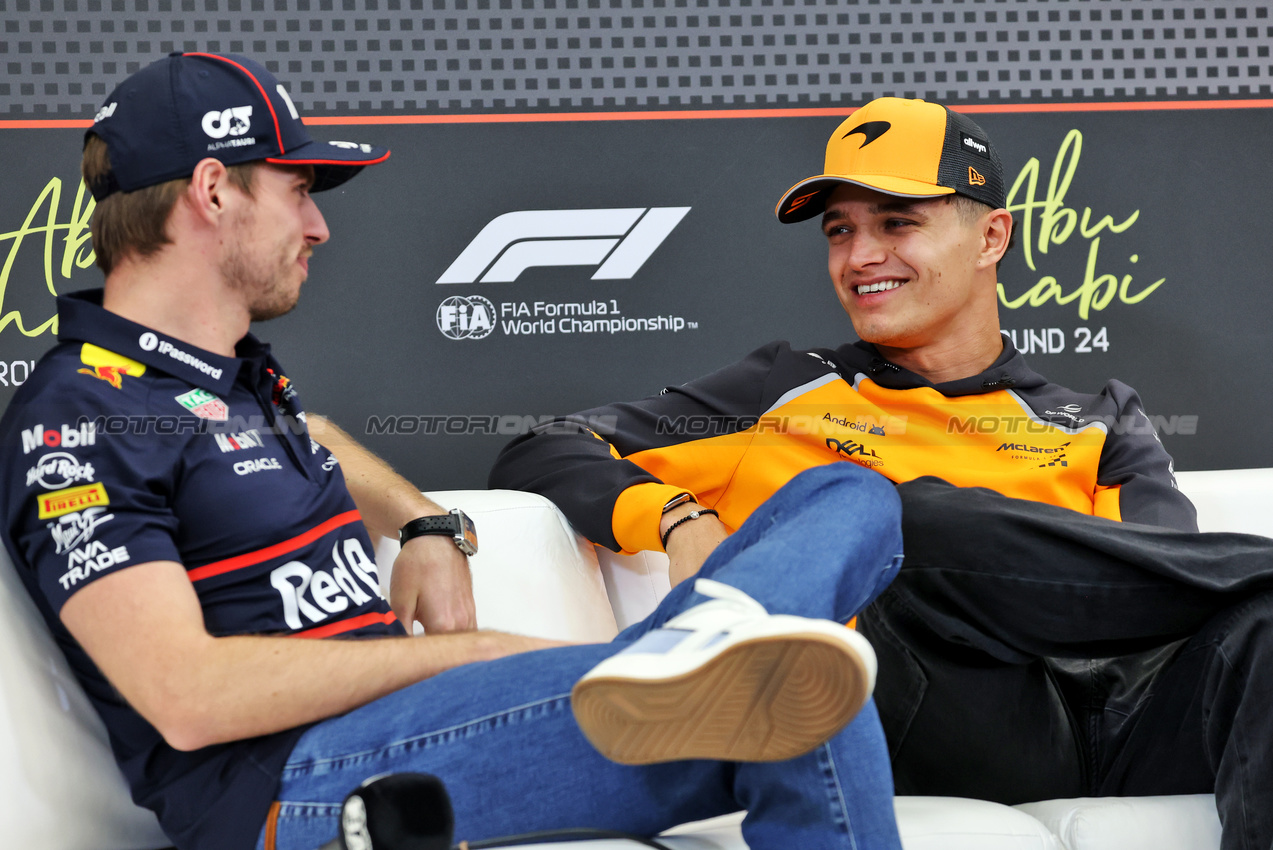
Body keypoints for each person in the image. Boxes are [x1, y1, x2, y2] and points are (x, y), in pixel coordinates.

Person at [0, 54, 909, 850]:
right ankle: (713, 651)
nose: (317, 229)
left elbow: (305, 440)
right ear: (212, 191)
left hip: (423, 728)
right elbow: (184, 694)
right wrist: (464, 655)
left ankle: (709, 644)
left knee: (849, 497)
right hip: (306, 781)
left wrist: (428, 522)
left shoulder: (226, 378)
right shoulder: (76, 419)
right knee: (801, 690)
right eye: (300, 190)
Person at [490, 96, 1273, 850]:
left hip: (1114, 716)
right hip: (922, 712)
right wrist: (678, 519)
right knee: (896, 518)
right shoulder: (782, 386)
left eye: (897, 223)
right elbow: (549, 445)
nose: (860, 257)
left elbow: (1164, 592)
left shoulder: (1096, 419)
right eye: (840, 231)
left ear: (991, 237)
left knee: (1262, 623)